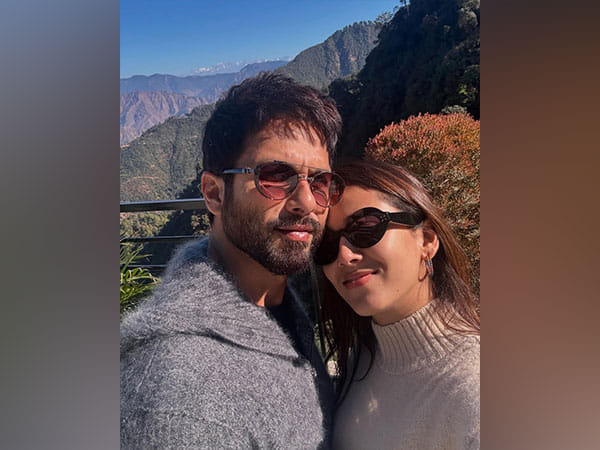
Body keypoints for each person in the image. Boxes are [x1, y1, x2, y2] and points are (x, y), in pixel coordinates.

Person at [120, 73, 346, 448]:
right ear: (214, 194)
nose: (306, 202)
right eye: (275, 177)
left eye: (319, 182)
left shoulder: (278, 308)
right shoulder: (180, 400)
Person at [314, 159, 480, 449]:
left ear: (426, 240)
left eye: (365, 228)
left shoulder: (476, 384)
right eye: (326, 245)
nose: (344, 256)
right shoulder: (362, 359)